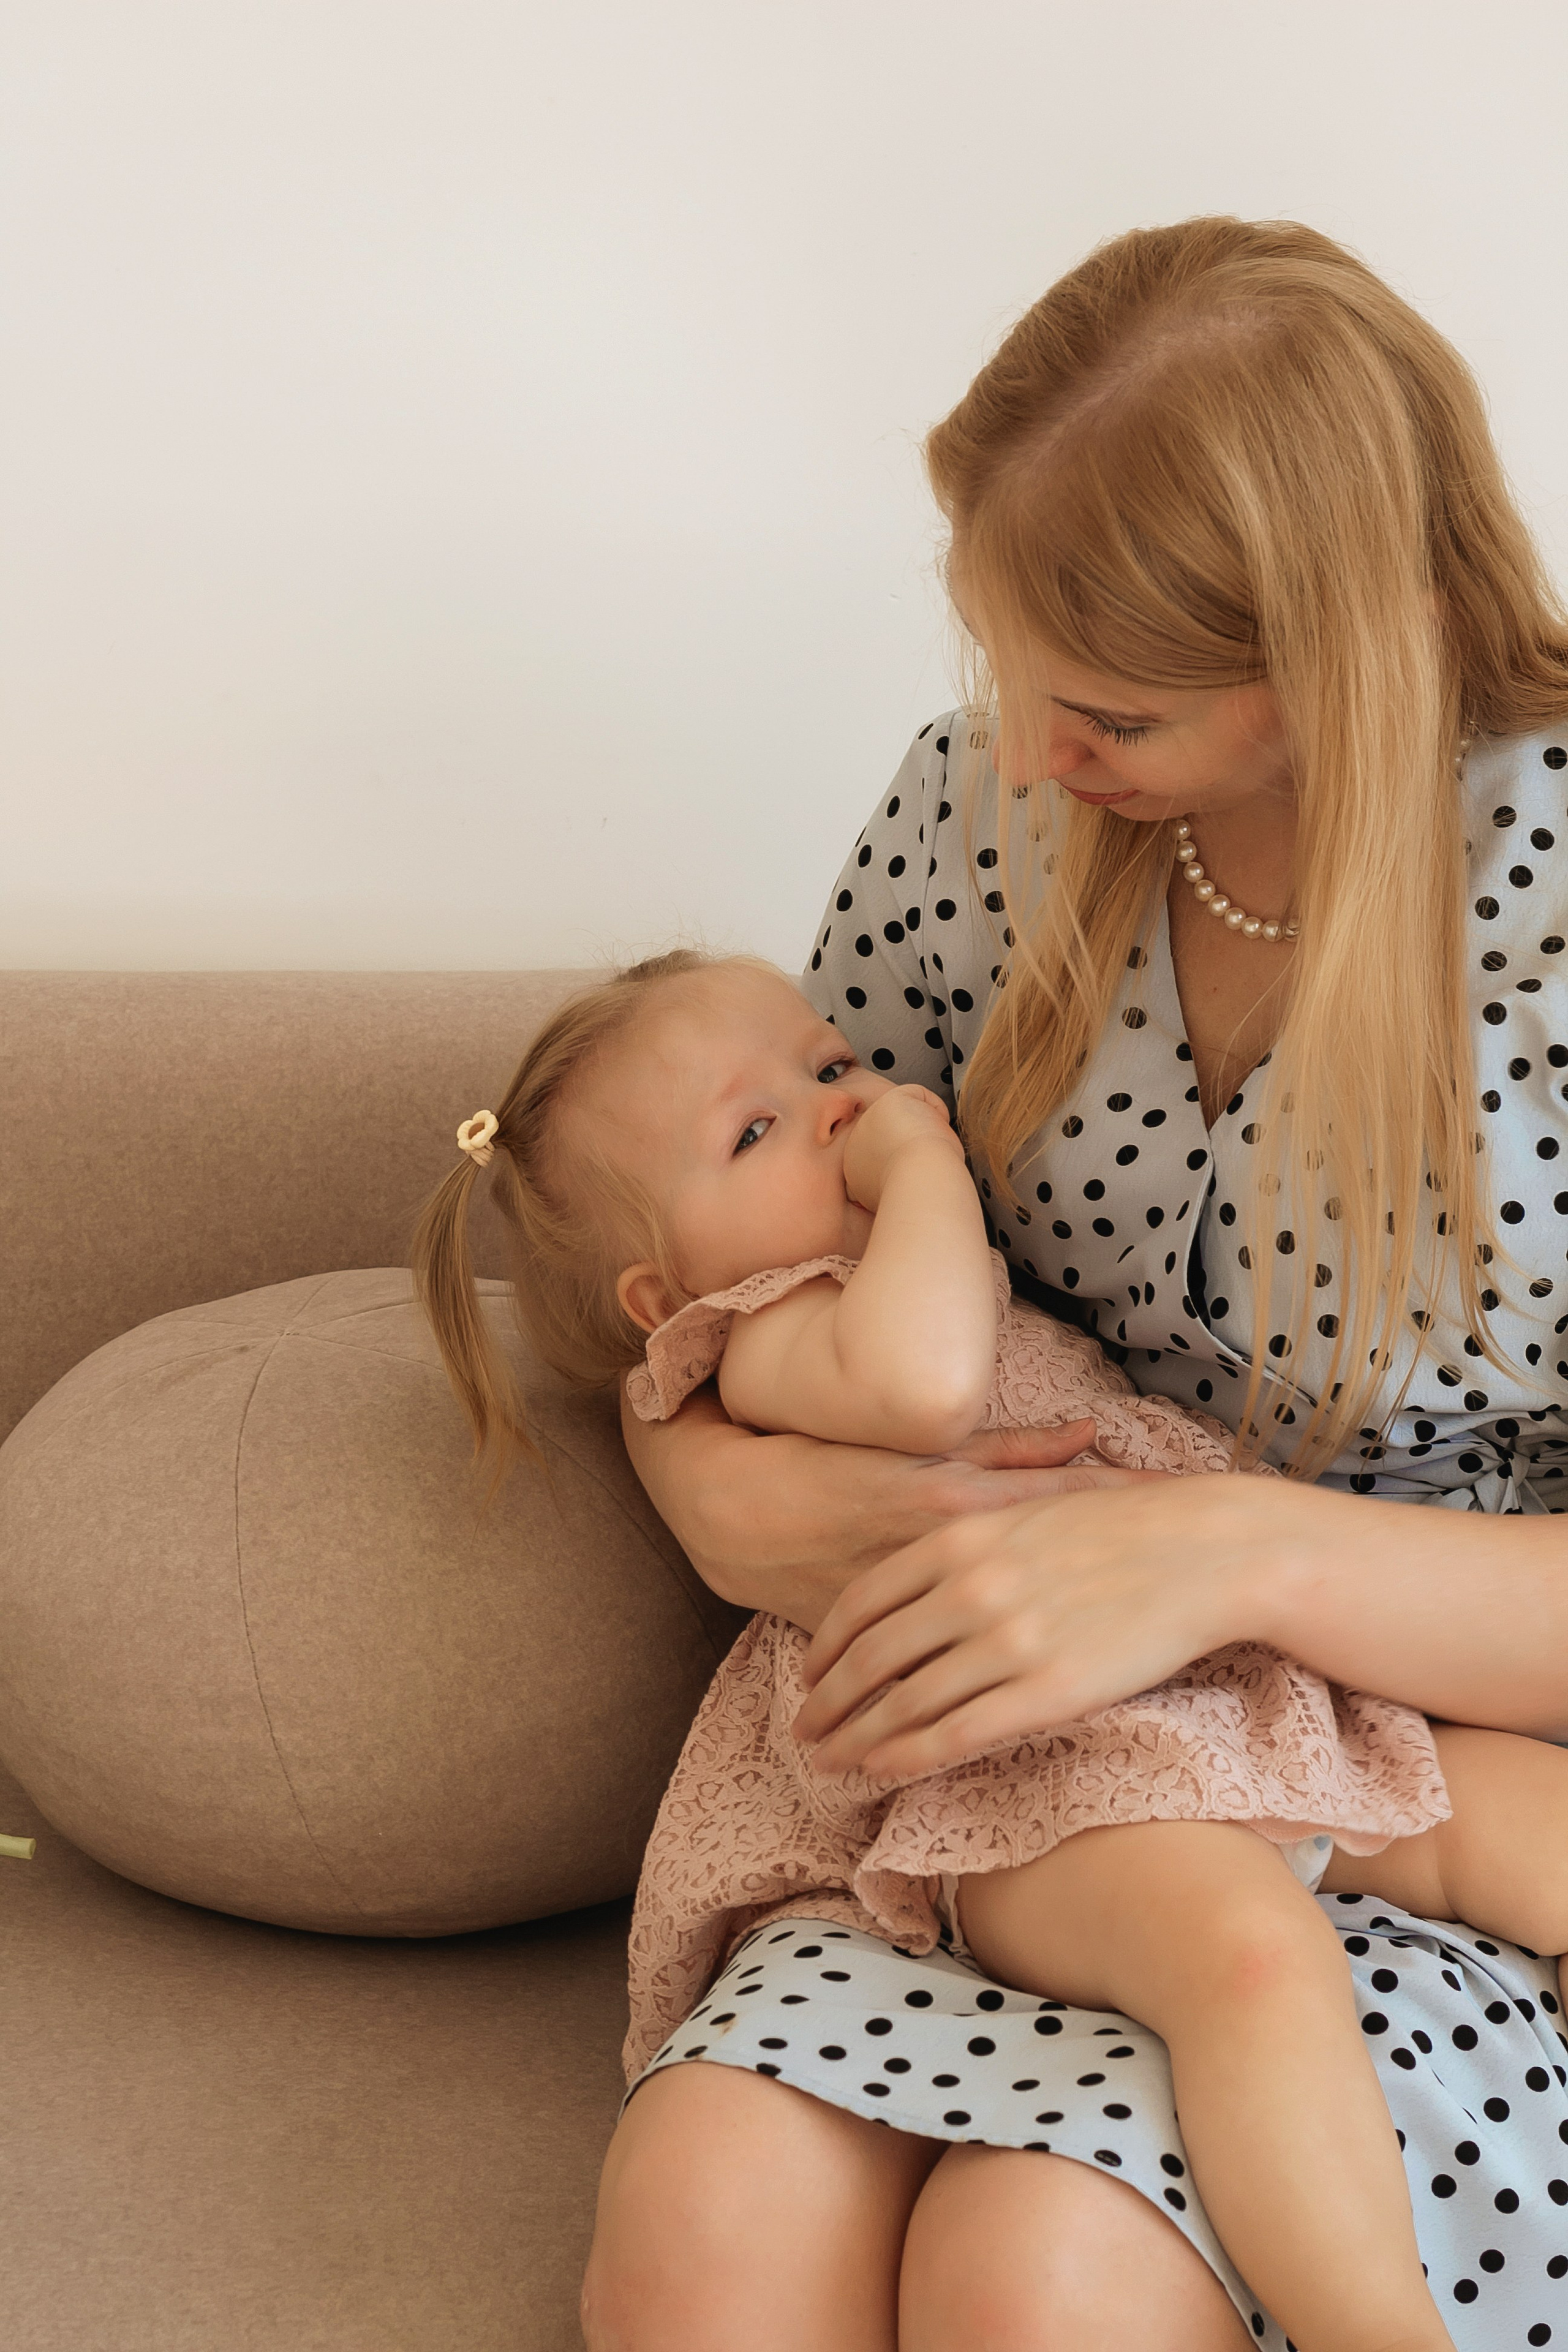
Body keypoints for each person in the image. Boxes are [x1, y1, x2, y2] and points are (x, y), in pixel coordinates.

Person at [412, 941, 1568, 2350]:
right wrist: (918, 1170)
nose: (838, 1105)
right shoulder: (771, 1326)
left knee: (1526, 1816)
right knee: (1244, 1953)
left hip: (1231, 1687)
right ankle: (1375, 2330)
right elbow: (921, 1380)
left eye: (828, 1064)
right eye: (756, 1127)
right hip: (1028, 1767)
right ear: (662, 1297)